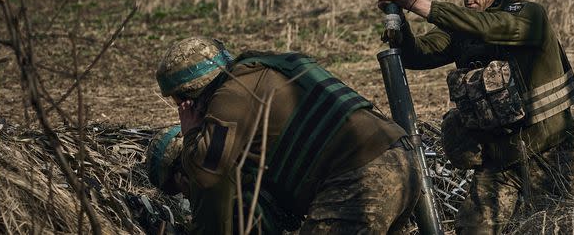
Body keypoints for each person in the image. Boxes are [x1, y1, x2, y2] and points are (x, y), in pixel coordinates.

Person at [377, 0, 574, 234]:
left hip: (552, 155)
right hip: (498, 162)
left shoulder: (529, 16)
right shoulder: (462, 30)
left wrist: (416, 2)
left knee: (565, 226)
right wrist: (398, 18)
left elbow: (490, 27)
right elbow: (418, 55)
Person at [154, 37, 421, 234]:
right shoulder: (267, 68)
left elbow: (207, 173)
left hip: (358, 177)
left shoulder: (231, 93)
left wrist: (190, 133)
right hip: (401, 159)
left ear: (191, 95)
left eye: (181, 103)